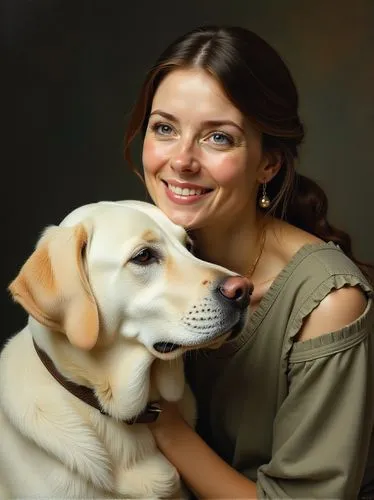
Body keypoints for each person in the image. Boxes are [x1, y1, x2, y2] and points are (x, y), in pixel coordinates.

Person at [123, 25, 374, 499]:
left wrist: (166, 426)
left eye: (218, 138)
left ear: (268, 164)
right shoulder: (136, 255)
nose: (181, 160)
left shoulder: (328, 302)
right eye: (165, 128)